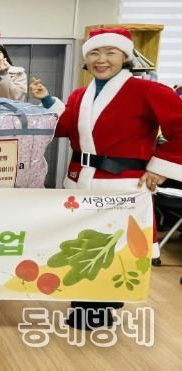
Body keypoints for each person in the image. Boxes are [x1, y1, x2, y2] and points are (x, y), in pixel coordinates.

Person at [30, 27, 182, 331]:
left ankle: (100, 308)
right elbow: (66, 127)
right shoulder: (80, 95)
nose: (102, 60)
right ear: (86, 59)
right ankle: (84, 306)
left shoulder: (148, 91)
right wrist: (47, 101)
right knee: (82, 245)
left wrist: (159, 168)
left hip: (123, 183)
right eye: (95, 53)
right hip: (80, 182)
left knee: (113, 247)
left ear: (125, 56)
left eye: (110, 52)